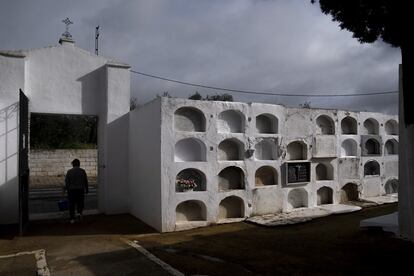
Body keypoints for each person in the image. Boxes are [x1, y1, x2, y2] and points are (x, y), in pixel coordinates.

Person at [64, 159, 89, 223]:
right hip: (80, 190)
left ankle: (72, 218)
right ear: (79, 164)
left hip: (71, 191)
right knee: (80, 203)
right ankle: (79, 214)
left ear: (73, 164)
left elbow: (67, 182)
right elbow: (85, 181)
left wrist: (65, 189)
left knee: (71, 204)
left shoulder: (69, 172)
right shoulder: (83, 171)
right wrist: (87, 189)